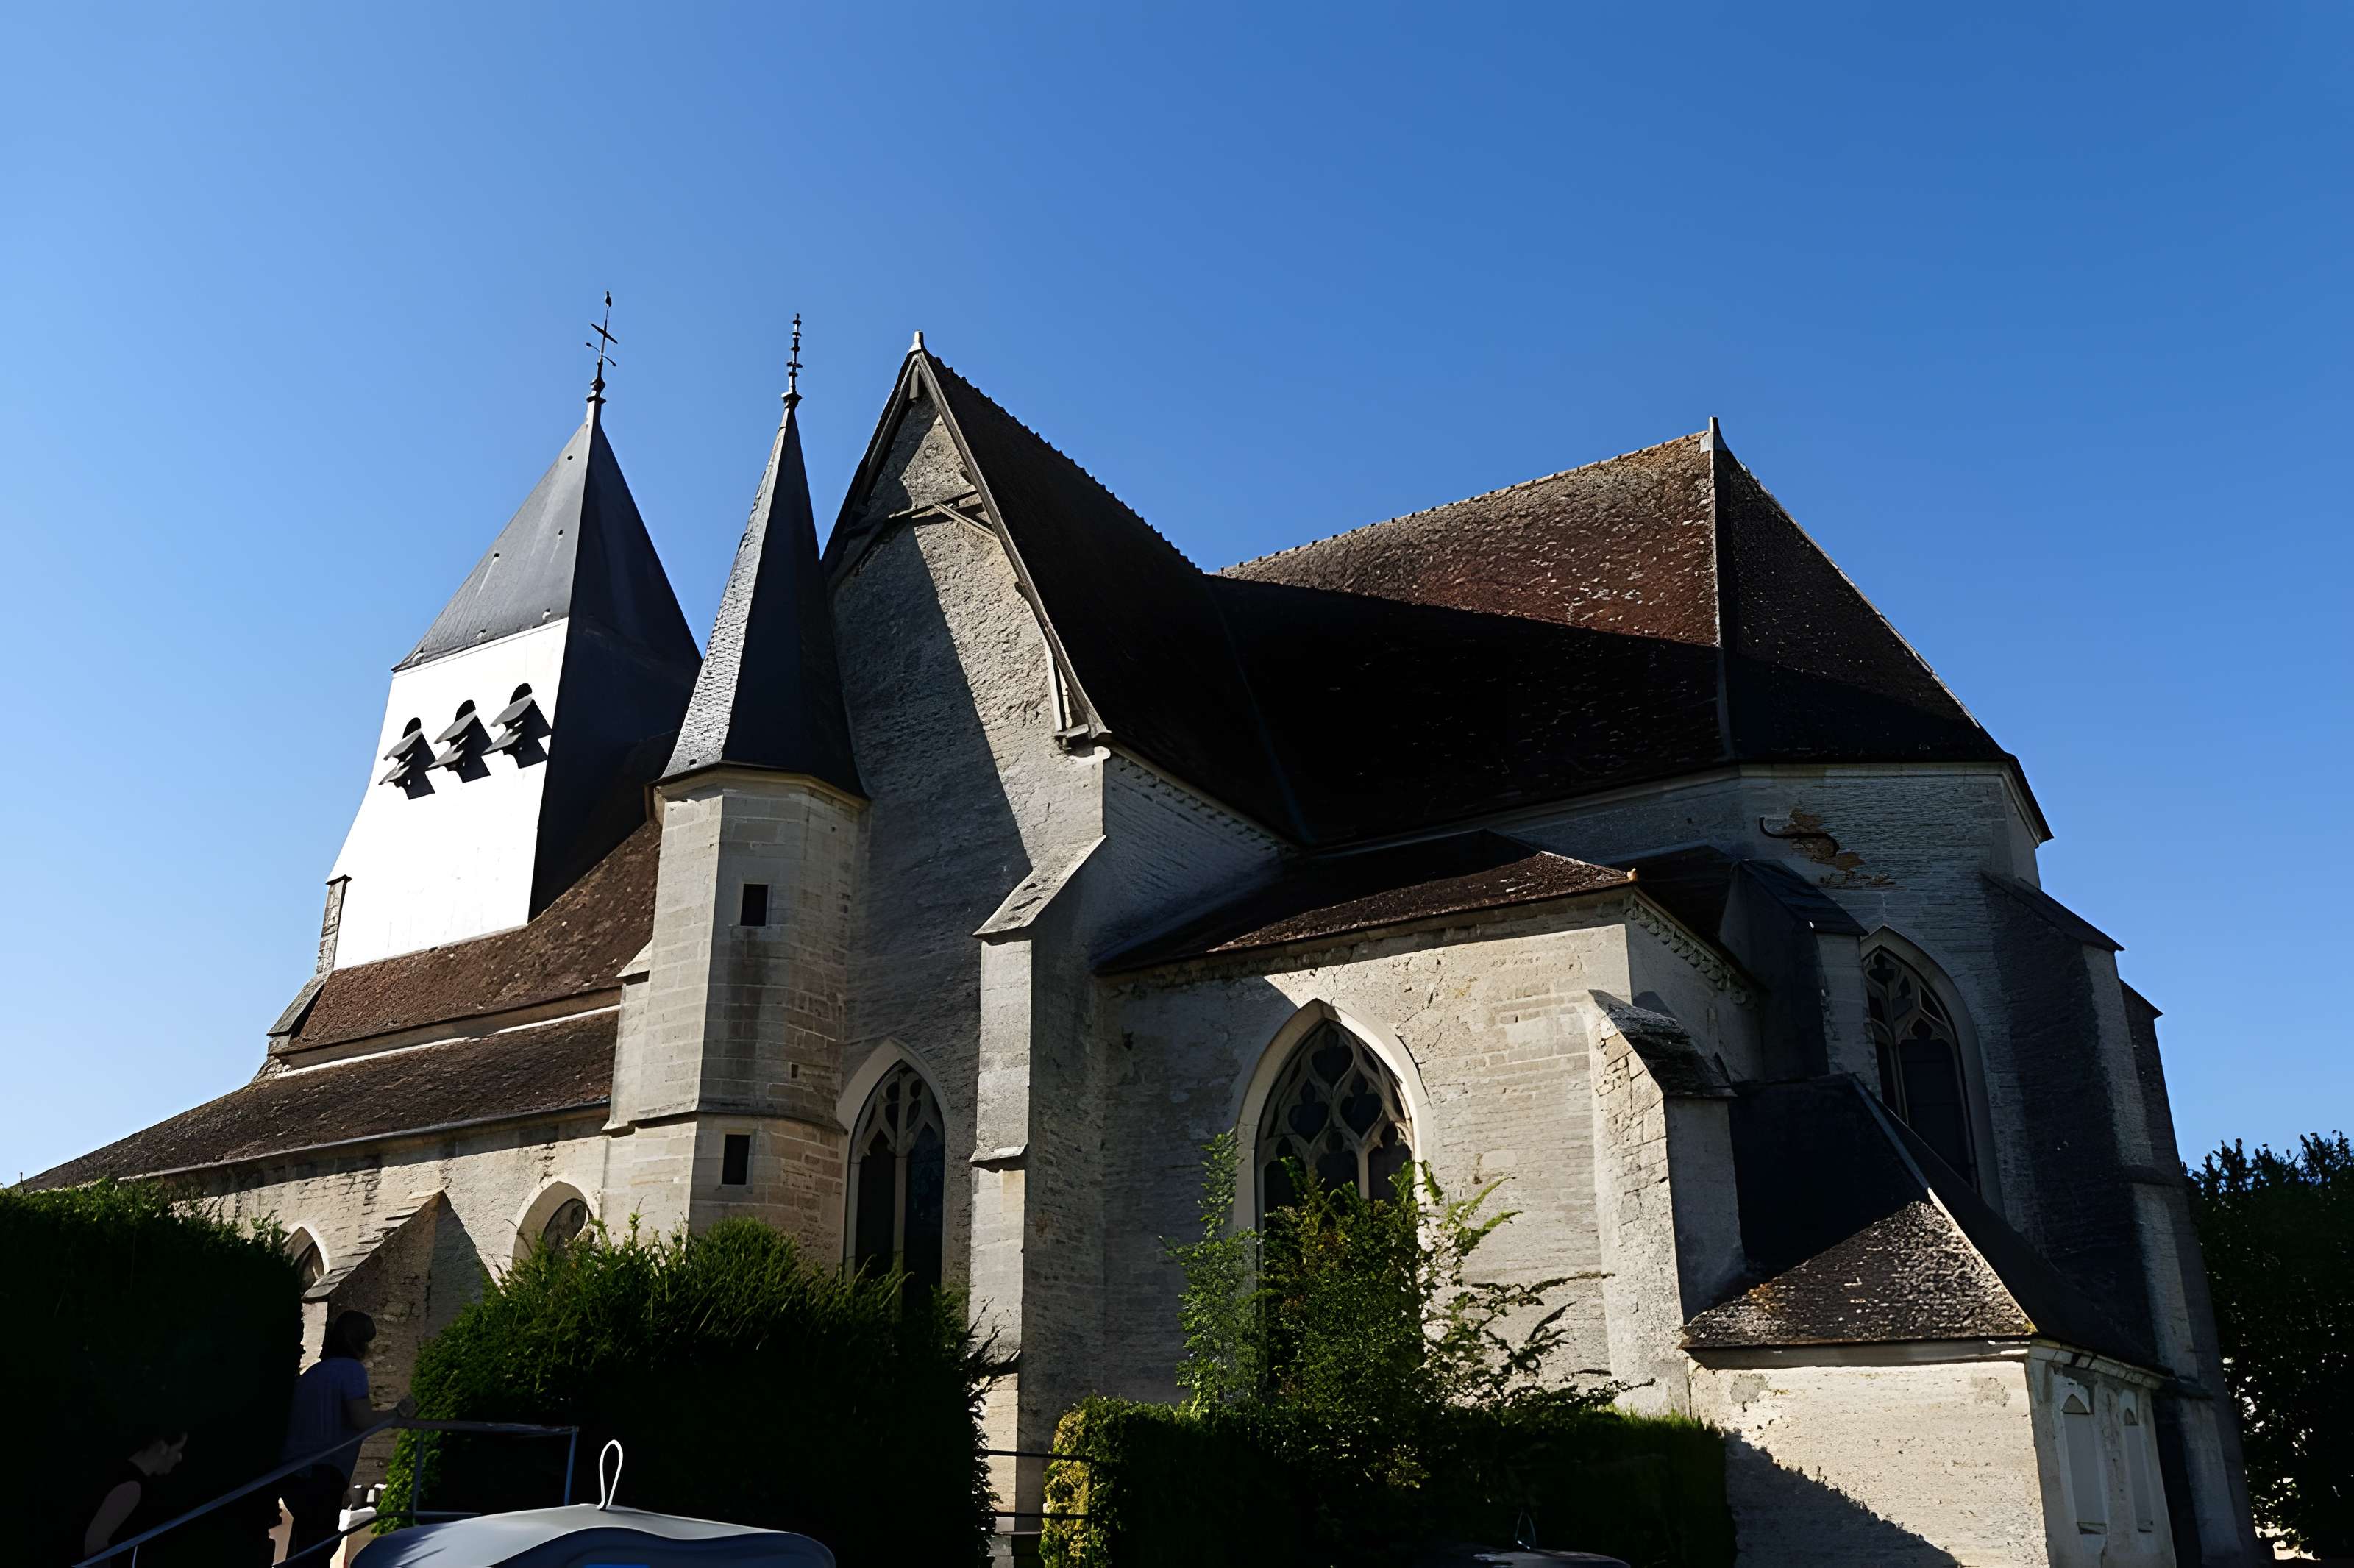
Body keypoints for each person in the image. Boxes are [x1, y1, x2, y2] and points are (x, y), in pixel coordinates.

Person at [278, 1312, 414, 1560]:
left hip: (295, 1472)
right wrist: (397, 1414)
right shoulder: (351, 1371)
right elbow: (362, 1419)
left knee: (307, 1546)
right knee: (318, 1549)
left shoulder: (315, 1373)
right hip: (320, 1472)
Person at [79, 1424, 188, 1559]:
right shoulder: (132, 1486)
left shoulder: (125, 1476)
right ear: (162, 1446)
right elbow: (94, 1541)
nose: (179, 1458)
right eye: (178, 1450)